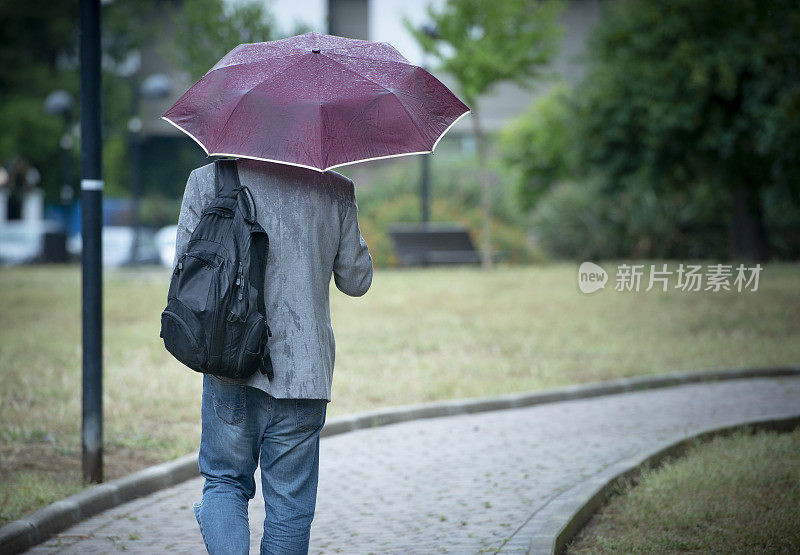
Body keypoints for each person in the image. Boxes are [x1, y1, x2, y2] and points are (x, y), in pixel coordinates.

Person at [173, 157, 373, 554]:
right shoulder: (335, 188)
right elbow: (357, 280)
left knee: (225, 484)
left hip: (229, 364)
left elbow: (184, 268)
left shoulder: (208, 180)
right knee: (291, 510)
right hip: (304, 374)